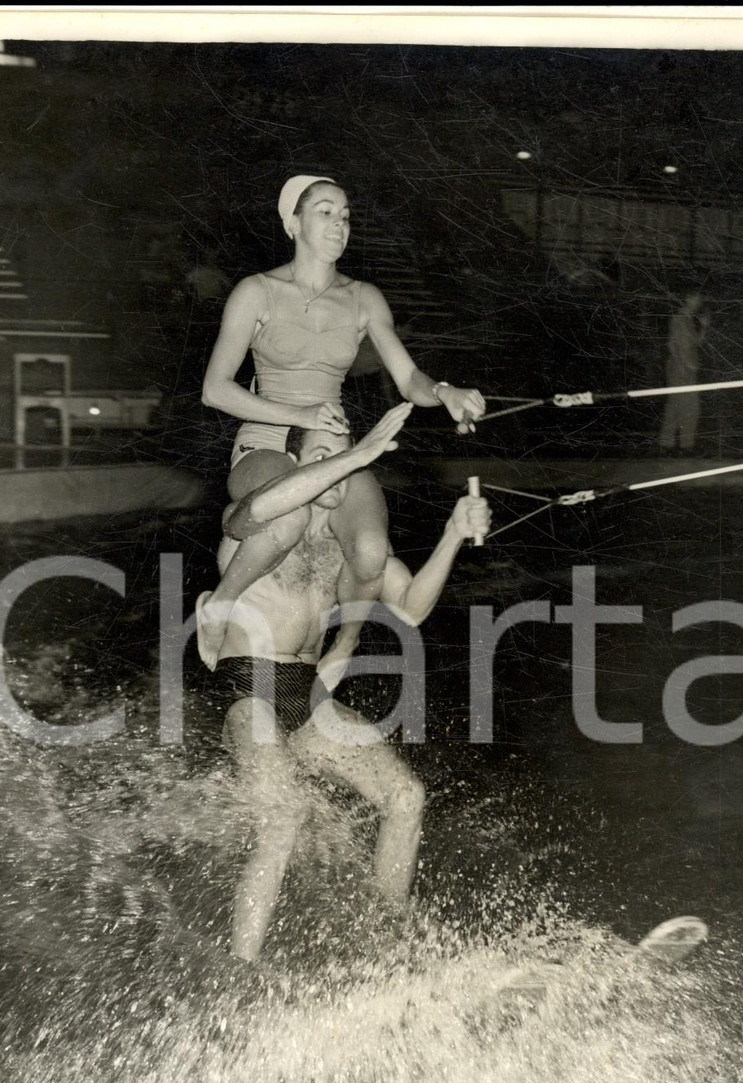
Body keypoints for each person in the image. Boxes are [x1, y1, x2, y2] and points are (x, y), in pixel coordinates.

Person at [204, 403, 490, 962]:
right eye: (321, 457)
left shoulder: (346, 544)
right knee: (282, 819)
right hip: (248, 689)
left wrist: (454, 534)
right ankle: (238, 970)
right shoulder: (259, 528)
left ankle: (383, 951)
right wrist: (354, 454)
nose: (337, 472)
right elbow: (259, 507)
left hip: (308, 696)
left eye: (345, 461)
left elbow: (408, 609)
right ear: (294, 463)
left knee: (406, 797)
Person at [197, 174, 487, 674]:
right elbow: (216, 389)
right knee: (284, 519)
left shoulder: (364, 298)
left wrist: (444, 393)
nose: (339, 224)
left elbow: (409, 378)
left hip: (332, 443)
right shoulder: (257, 291)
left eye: (346, 214)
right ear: (293, 223)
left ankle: (345, 644)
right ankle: (218, 608)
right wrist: (299, 414)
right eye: (325, 212)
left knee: (371, 552)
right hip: (267, 435)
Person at [659, 291, 710, 454]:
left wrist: (703, 326)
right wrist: (686, 367)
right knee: (691, 407)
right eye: (696, 297)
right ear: (687, 298)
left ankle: (667, 444)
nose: (699, 301)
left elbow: (695, 344)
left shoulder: (687, 320)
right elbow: (673, 346)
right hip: (681, 369)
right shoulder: (679, 319)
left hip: (683, 368)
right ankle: (686, 445)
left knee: (676, 405)